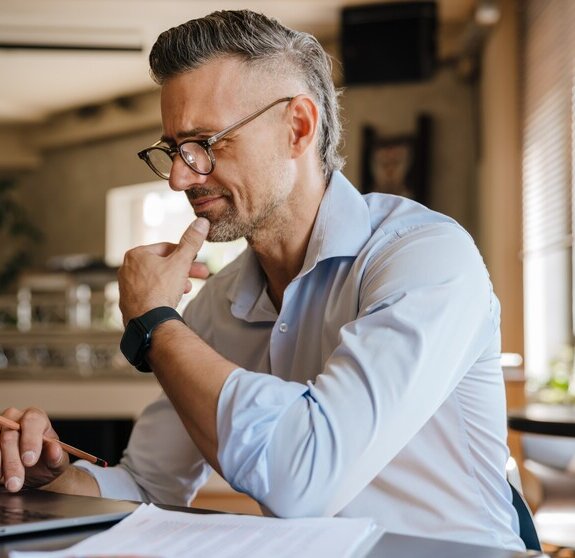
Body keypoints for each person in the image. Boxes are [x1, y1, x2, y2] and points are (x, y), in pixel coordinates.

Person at [0, 10, 523, 550]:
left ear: (297, 127)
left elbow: (306, 477)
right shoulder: (218, 307)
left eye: (206, 142)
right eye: (174, 149)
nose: (181, 176)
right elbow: (149, 483)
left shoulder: (424, 257)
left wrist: (156, 322)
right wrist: (51, 476)